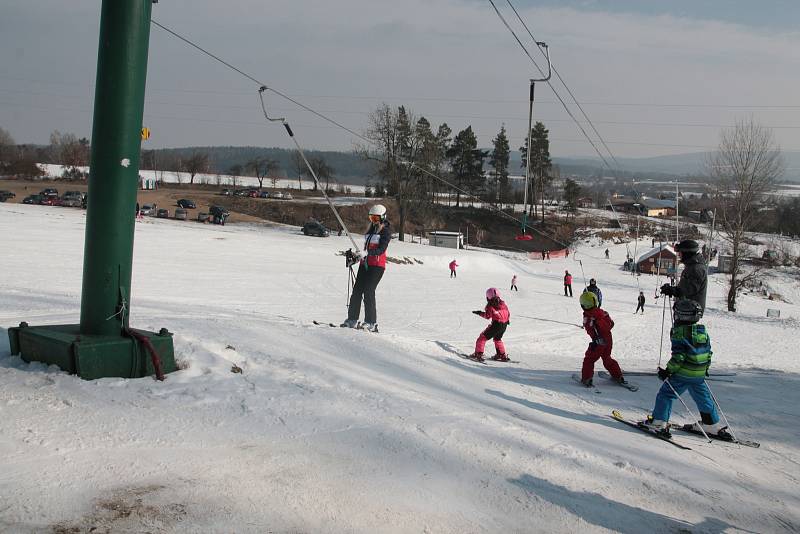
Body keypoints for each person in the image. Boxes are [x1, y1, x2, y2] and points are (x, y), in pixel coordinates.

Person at [642, 300, 727, 438]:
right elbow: (708, 352)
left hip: (683, 373)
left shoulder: (679, 333)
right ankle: (710, 424)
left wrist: (668, 371)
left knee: (666, 394)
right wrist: (704, 368)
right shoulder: (702, 332)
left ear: (681, 316)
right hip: (699, 374)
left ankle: (659, 422)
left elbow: (679, 356)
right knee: (702, 396)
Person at [341, 204, 392, 332]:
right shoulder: (370, 231)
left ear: (382, 218)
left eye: (375, 218)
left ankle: (371, 322)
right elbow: (365, 251)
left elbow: (381, 250)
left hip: (377, 267)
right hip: (365, 265)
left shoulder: (385, 232)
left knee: (368, 291)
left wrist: (368, 253)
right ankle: (352, 320)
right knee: (357, 291)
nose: (373, 221)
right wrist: (356, 257)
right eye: (371, 218)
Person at [579, 291, 626, 386]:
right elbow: (611, 324)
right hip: (608, 340)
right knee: (607, 358)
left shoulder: (589, 317)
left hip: (599, 342)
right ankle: (618, 375)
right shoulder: (603, 313)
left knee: (589, 359)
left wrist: (592, 321)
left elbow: (588, 328)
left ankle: (586, 378)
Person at [660, 239, 707, 314]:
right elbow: (685, 287)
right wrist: (672, 290)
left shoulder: (696, 269)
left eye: (680, 253)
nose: (679, 255)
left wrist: (672, 290)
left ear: (687, 253)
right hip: (688, 309)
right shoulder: (692, 266)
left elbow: (688, 290)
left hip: (691, 311)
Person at [470, 288, 511, 362]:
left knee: (482, 338)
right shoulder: (503, 304)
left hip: (496, 325)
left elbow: (487, 316)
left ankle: (478, 354)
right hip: (504, 325)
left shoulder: (490, 306)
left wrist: (479, 313)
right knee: (497, 339)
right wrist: (507, 320)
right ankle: (501, 354)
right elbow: (508, 312)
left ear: (488, 297)